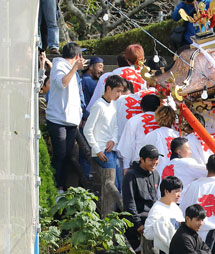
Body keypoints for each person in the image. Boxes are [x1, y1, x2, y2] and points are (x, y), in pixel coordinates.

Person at [46, 43, 86, 190]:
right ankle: (56, 187)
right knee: (60, 154)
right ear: (77, 57)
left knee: (68, 155)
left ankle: (62, 186)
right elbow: (62, 83)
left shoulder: (72, 71)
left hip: (71, 120)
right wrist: (75, 68)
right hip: (58, 119)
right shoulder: (59, 66)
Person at [84, 74, 127, 194]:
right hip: (102, 151)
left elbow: (115, 126)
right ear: (108, 88)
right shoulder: (98, 105)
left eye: (121, 91)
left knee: (117, 182)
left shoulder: (113, 104)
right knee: (112, 185)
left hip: (111, 149)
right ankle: (111, 211)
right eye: (117, 91)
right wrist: (97, 150)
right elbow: (87, 129)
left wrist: (113, 140)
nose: (119, 94)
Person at [121, 144, 161, 248]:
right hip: (137, 219)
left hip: (151, 217)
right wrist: (138, 224)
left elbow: (155, 199)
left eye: (156, 159)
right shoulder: (130, 176)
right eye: (151, 159)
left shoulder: (155, 174)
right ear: (142, 159)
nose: (154, 162)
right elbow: (129, 202)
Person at [87, 44, 146, 110]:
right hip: (139, 112)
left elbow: (101, 95)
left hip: (117, 111)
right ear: (143, 58)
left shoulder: (114, 74)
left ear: (127, 58)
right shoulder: (146, 75)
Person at [143, 175, 184, 254]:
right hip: (166, 253)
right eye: (176, 191)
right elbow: (147, 233)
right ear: (166, 191)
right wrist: (163, 230)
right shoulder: (157, 209)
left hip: (179, 249)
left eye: (180, 191)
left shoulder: (175, 207)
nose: (179, 195)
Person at [117, 94, 161, 167]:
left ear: (142, 107)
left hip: (140, 163)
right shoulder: (164, 121)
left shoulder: (134, 120)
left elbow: (127, 145)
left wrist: (126, 166)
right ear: (159, 107)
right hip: (160, 163)